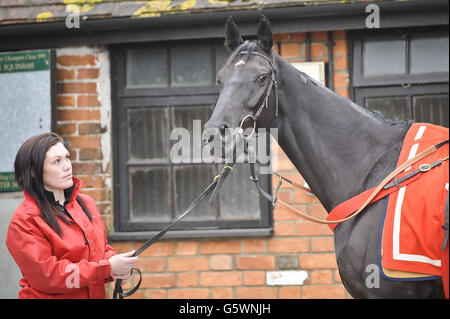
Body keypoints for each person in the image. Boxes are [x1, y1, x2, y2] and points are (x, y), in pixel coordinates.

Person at [6, 132, 138, 299]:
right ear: (33, 171)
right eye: (57, 161)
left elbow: (100, 250)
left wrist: (116, 267)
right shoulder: (24, 221)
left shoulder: (86, 203)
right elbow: (49, 276)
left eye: (66, 158)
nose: (67, 166)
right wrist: (107, 268)